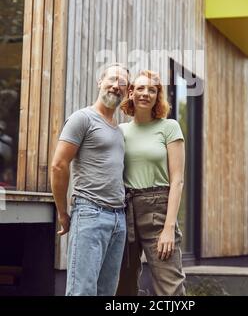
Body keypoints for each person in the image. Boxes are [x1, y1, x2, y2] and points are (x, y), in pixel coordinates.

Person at [51, 63, 129, 296]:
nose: (116, 86)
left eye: (123, 83)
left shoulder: (118, 130)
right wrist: (63, 213)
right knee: (82, 291)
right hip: (90, 214)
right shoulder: (82, 118)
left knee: (106, 292)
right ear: (100, 82)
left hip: (118, 219)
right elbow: (58, 165)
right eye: (112, 79)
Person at [117, 69, 186, 296]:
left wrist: (168, 229)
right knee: (122, 286)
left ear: (158, 96)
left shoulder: (169, 127)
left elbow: (177, 181)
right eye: (140, 88)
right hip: (124, 210)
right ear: (130, 92)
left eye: (152, 90)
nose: (145, 93)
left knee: (170, 286)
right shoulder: (119, 131)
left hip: (158, 209)